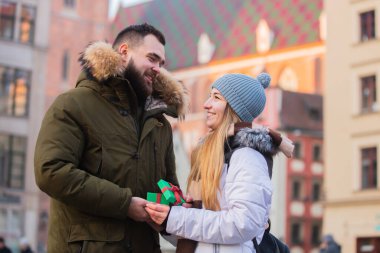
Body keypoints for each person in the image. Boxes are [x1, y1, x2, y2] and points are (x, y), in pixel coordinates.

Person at [34, 23, 188, 253]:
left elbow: (166, 184)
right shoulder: (73, 104)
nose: (158, 69)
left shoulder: (159, 124)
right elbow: (51, 171)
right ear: (123, 52)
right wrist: (125, 205)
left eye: (161, 63)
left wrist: (178, 204)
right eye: (152, 58)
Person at [146, 73, 279, 252]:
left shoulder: (247, 156)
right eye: (210, 95)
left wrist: (177, 218)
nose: (206, 104)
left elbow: (242, 224)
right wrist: (166, 222)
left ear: (234, 109)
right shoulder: (213, 154)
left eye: (216, 98)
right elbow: (205, 241)